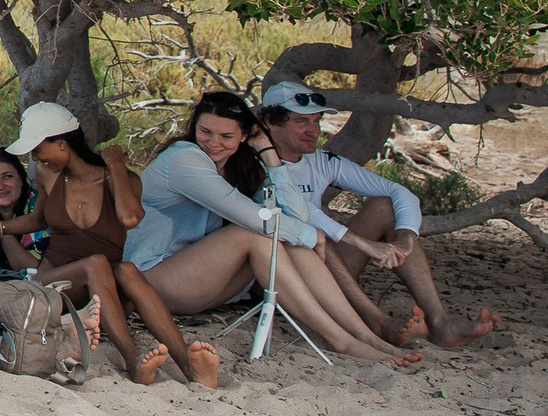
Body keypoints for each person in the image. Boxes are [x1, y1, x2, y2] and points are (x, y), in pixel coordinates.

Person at [128, 91, 422, 369]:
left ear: (245, 136)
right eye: (205, 132)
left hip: (202, 285)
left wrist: (268, 153)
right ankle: (340, 340)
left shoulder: (239, 164)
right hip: (153, 279)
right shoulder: (184, 159)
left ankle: (364, 335)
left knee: (288, 237)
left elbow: (298, 212)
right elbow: (252, 217)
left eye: (227, 136)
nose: (213, 142)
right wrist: (313, 235)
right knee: (258, 232)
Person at [0, 103, 223, 388]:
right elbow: (38, 219)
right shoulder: (48, 174)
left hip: (106, 298)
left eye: (38, 148)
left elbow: (130, 218)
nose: (34, 157)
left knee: (126, 270)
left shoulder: (123, 179)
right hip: (57, 286)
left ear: (62, 144)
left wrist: (116, 166)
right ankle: (132, 360)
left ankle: (191, 369)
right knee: (98, 263)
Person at [262, 81, 500, 349]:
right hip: (275, 273)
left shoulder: (321, 161)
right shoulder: (252, 163)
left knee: (386, 207)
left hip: (322, 271)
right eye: (301, 122)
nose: (313, 131)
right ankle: (379, 323)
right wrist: (362, 243)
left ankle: (440, 322)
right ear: (271, 121)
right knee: (315, 237)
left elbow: (399, 192)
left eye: (316, 121)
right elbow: (300, 213)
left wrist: (404, 240)